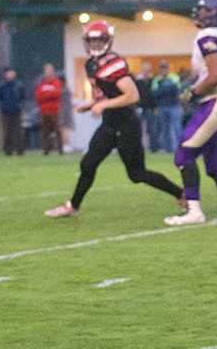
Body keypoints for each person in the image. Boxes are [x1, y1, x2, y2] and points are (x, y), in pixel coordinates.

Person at [44, 21, 184, 218]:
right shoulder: (91, 63)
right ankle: (73, 206)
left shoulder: (113, 63)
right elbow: (105, 94)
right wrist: (92, 103)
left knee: (137, 175)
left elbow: (132, 96)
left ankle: (181, 194)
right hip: (110, 124)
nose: (96, 44)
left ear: (108, 40)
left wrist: (102, 105)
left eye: (100, 40)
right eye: (92, 40)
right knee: (88, 164)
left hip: (126, 125)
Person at [164, 0, 217, 225]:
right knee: (214, 160)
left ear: (214, 13)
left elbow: (216, 75)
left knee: (184, 153)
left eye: (204, 10)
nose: (199, 13)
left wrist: (192, 92)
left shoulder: (209, 35)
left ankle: (194, 211)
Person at [151, 61, 183, 152]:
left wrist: (162, 90)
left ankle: (180, 148)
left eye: (165, 68)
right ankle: (168, 149)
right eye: (162, 68)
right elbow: (154, 93)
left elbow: (176, 88)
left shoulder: (174, 77)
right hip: (162, 107)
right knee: (164, 129)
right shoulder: (156, 79)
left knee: (177, 128)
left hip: (174, 106)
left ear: (168, 68)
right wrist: (167, 90)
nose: (163, 70)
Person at [34, 63, 64, 155]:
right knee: (45, 131)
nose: (48, 72)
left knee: (57, 131)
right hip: (44, 111)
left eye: (50, 70)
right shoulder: (41, 84)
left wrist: (45, 95)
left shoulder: (56, 82)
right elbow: (38, 97)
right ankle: (46, 150)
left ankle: (60, 150)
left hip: (54, 111)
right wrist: (48, 95)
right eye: (46, 70)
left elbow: (56, 94)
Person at [0, 66, 26, 156]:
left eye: (12, 72)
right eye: (9, 72)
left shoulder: (19, 85)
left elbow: (23, 98)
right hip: (6, 112)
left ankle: (20, 150)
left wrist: (20, 106)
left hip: (17, 112)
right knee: (7, 132)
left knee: (18, 132)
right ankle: (8, 151)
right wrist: (3, 107)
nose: (11, 74)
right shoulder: (2, 86)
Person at [134, 62, 158, 152]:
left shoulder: (153, 81)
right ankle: (138, 148)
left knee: (152, 130)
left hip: (150, 108)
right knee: (138, 130)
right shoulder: (137, 81)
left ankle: (153, 149)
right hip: (140, 108)